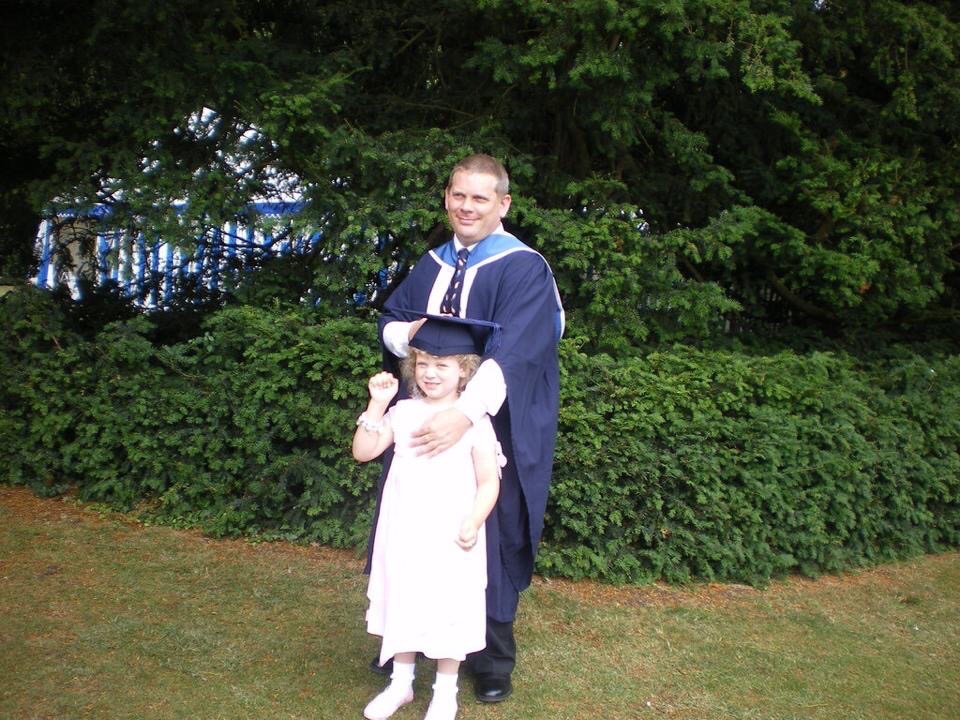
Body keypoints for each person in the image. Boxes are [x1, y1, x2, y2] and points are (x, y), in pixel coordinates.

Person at [373, 153, 564, 703]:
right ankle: (407, 639)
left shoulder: (523, 267)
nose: (467, 206)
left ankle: (490, 660)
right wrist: (408, 338)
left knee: (486, 529)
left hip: (495, 423)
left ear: (503, 204)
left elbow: (518, 352)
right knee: (415, 527)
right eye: (459, 195)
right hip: (426, 415)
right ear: (447, 198)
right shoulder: (432, 263)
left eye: (480, 198)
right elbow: (392, 321)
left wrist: (465, 414)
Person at [353, 314, 503, 720]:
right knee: (404, 597)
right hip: (404, 529)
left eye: (442, 365)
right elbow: (363, 451)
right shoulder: (403, 412)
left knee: (449, 604)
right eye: (422, 363)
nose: (430, 373)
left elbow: (488, 482)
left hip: (453, 533)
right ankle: (400, 683)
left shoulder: (474, 422)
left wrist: (474, 520)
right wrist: (377, 404)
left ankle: (445, 692)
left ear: (464, 370)